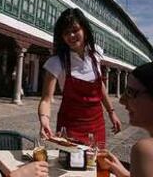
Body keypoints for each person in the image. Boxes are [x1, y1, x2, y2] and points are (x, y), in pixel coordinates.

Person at [38, 8, 122, 144]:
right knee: (70, 164)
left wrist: (111, 112)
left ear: (85, 30)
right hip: (70, 127)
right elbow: (46, 100)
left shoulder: (96, 55)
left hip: (96, 124)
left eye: (75, 30)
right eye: (66, 33)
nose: (71, 36)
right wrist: (44, 120)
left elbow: (100, 86)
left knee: (95, 162)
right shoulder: (57, 62)